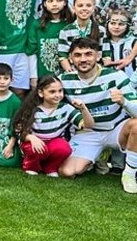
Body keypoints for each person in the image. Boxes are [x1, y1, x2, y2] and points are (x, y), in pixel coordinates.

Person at [58, 38, 137, 192]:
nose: (83, 59)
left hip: (116, 130)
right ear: (70, 58)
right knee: (67, 172)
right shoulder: (64, 80)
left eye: (88, 54)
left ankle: (129, 174)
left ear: (98, 56)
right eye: (78, 55)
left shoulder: (116, 76)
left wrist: (124, 102)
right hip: (88, 133)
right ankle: (97, 156)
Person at [12, 75, 92, 177]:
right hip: (34, 143)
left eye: (60, 91)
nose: (57, 95)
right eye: (52, 92)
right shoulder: (32, 108)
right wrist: (31, 137)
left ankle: (50, 167)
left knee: (64, 148)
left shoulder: (66, 108)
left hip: (53, 142)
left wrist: (83, 109)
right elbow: (18, 130)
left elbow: (88, 125)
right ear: (41, 93)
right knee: (33, 148)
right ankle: (31, 167)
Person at [26, 0, 73, 87]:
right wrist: (33, 77)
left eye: (58, 0)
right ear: (44, 4)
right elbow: (32, 52)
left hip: (67, 75)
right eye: (50, 1)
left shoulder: (70, 25)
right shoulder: (37, 25)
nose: (54, 4)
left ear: (65, 2)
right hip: (43, 75)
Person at [57, 0, 104, 73]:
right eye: (80, 6)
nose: (84, 8)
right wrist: (71, 73)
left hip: (95, 72)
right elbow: (62, 56)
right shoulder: (65, 31)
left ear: (94, 8)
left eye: (88, 5)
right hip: (74, 72)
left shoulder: (101, 30)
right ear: (74, 8)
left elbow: (104, 55)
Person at [102, 9, 137, 77]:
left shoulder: (133, 42)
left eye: (121, 24)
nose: (116, 27)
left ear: (128, 26)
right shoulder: (103, 42)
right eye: (113, 23)